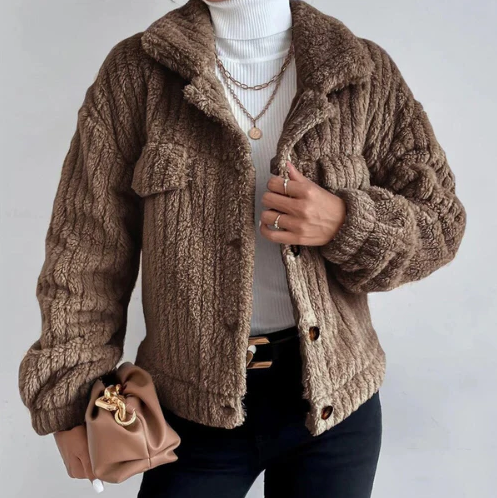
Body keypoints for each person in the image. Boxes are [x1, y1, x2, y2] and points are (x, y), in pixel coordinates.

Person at [17, 0, 467, 496]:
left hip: (335, 409)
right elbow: (85, 251)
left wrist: (346, 222)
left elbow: (441, 223)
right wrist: (72, 397)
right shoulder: (136, 74)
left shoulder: (361, 72)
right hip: (187, 412)